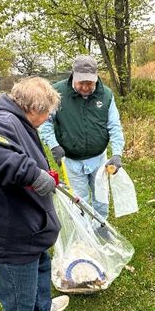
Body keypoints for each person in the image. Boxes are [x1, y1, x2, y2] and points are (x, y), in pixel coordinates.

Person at [0, 77, 69, 311]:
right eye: (46, 113)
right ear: (33, 108)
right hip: (7, 240)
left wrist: (48, 178)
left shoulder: (19, 120)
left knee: (42, 265)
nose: (46, 119)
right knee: (18, 305)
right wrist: (33, 174)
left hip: (28, 229)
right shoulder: (3, 121)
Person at [39, 55, 125, 223]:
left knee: (101, 197)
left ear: (96, 77)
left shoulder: (106, 95)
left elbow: (114, 125)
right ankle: (85, 235)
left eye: (90, 83)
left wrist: (117, 153)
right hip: (71, 160)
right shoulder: (57, 93)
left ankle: (101, 227)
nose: (85, 87)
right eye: (81, 83)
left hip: (99, 159)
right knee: (79, 199)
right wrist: (54, 145)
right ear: (74, 76)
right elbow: (45, 123)